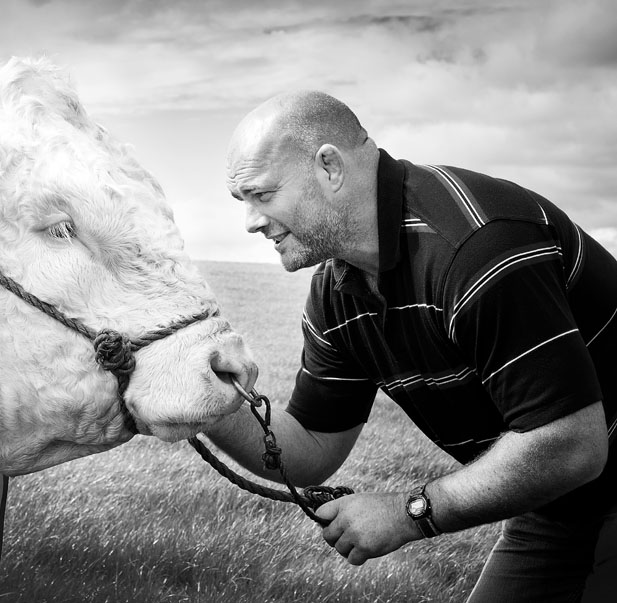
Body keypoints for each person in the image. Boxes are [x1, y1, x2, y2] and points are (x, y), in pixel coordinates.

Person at [206, 90, 616, 602]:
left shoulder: (475, 248)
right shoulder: (338, 294)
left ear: (330, 167)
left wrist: (408, 513)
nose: (250, 221)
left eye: (262, 195)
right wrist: (201, 399)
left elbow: (573, 444)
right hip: (559, 507)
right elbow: (311, 446)